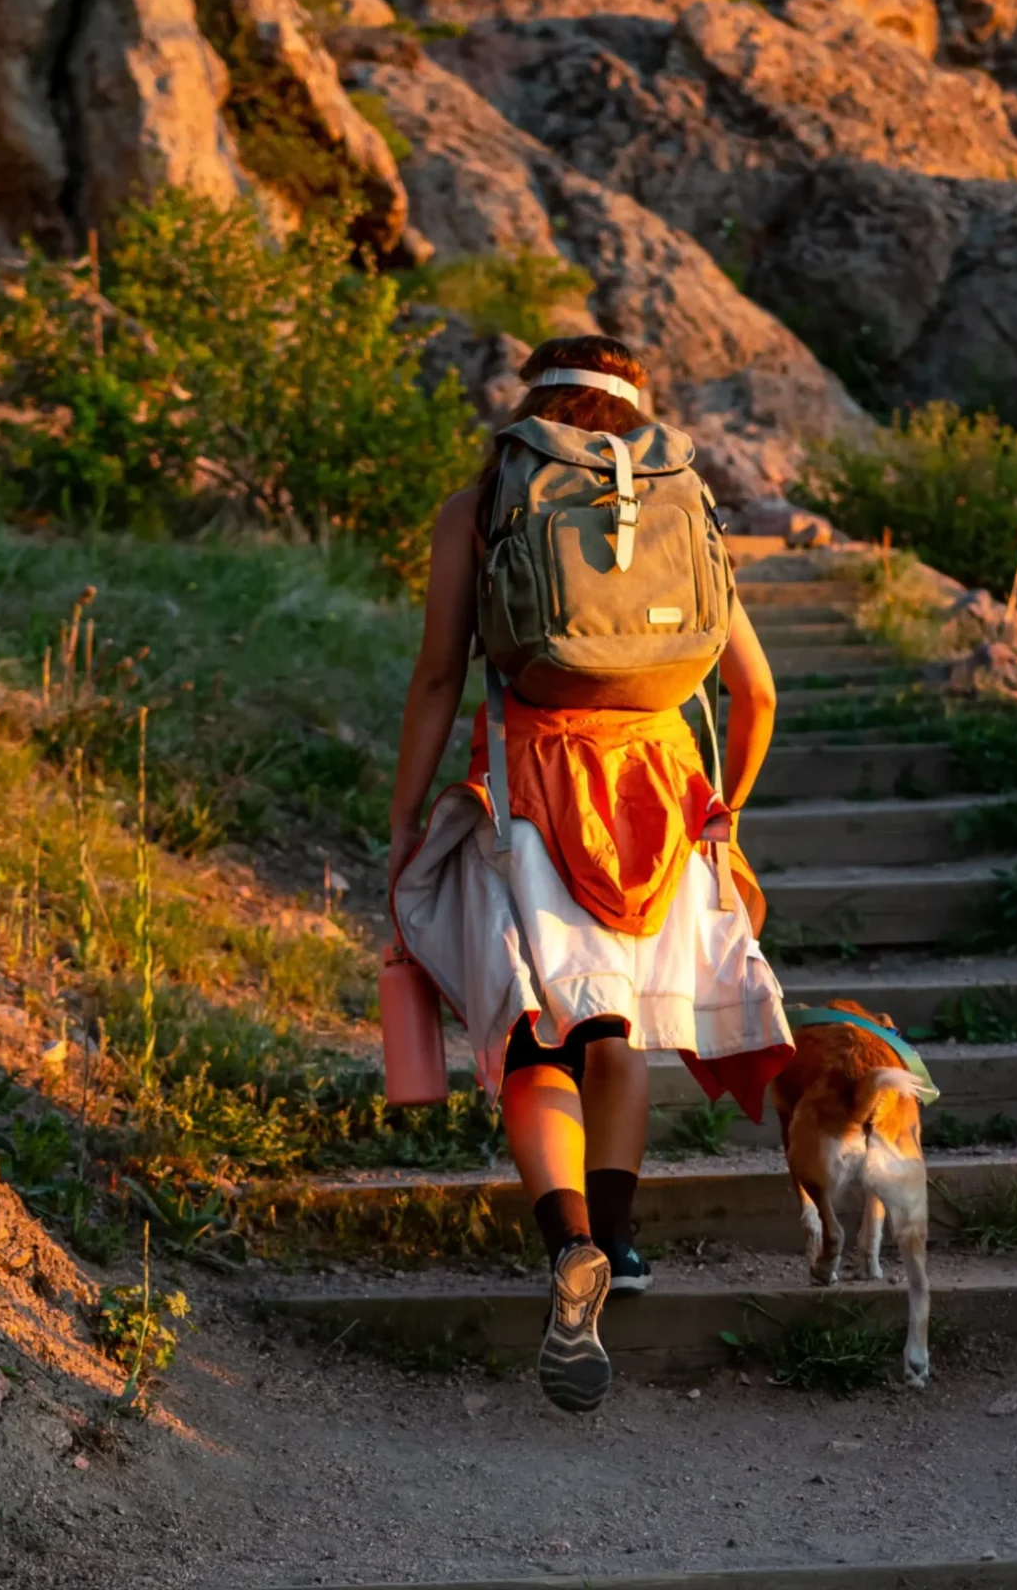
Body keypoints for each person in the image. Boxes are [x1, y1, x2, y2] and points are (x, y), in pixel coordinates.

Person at [386, 335, 793, 1414]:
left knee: (537, 1033)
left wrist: (402, 820)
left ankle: (567, 1238)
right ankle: (619, 1237)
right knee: (618, 1033)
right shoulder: (675, 504)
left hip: (528, 784)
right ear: (634, 410)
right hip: (659, 783)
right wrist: (729, 819)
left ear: (535, 410)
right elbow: (754, 695)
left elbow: (437, 678)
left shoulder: (478, 509)